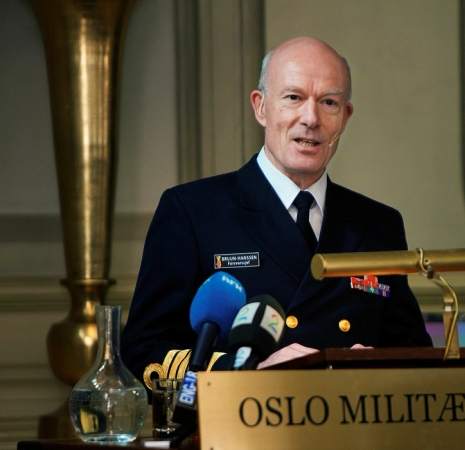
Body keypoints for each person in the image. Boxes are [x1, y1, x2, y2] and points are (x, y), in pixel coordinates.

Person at [121, 37, 432, 384]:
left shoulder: (378, 225)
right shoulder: (193, 211)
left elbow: (412, 351)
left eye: (328, 102)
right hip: (242, 416)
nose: (310, 118)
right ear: (261, 107)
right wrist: (250, 371)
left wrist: (380, 365)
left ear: (344, 117)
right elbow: (143, 350)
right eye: (293, 98)